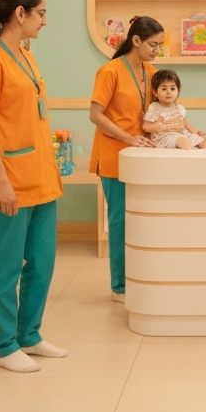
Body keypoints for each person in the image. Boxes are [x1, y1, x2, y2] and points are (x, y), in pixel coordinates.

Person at [0, 0, 66, 373]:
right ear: (20, 13)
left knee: (42, 263)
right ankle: (3, 345)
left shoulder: (26, 56)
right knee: (6, 266)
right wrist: (3, 183)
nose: (45, 21)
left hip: (40, 177)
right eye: (41, 13)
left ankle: (29, 334)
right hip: (9, 179)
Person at [89, 15, 163, 301]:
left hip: (141, 157)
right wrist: (128, 138)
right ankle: (119, 286)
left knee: (141, 222)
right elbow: (95, 114)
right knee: (119, 222)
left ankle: (139, 278)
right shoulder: (110, 71)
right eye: (153, 45)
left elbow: (162, 110)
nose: (157, 50)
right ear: (136, 41)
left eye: (159, 45)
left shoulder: (151, 72)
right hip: (113, 156)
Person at [143, 69, 206, 149]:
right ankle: (193, 153)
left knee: (204, 142)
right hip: (165, 137)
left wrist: (196, 133)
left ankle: (203, 155)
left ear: (178, 91)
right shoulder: (155, 107)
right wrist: (154, 127)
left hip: (181, 134)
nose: (169, 92)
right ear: (155, 93)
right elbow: (145, 126)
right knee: (184, 142)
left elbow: (185, 123)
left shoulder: (178, 108)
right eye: (164, 89)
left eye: (172, 89)